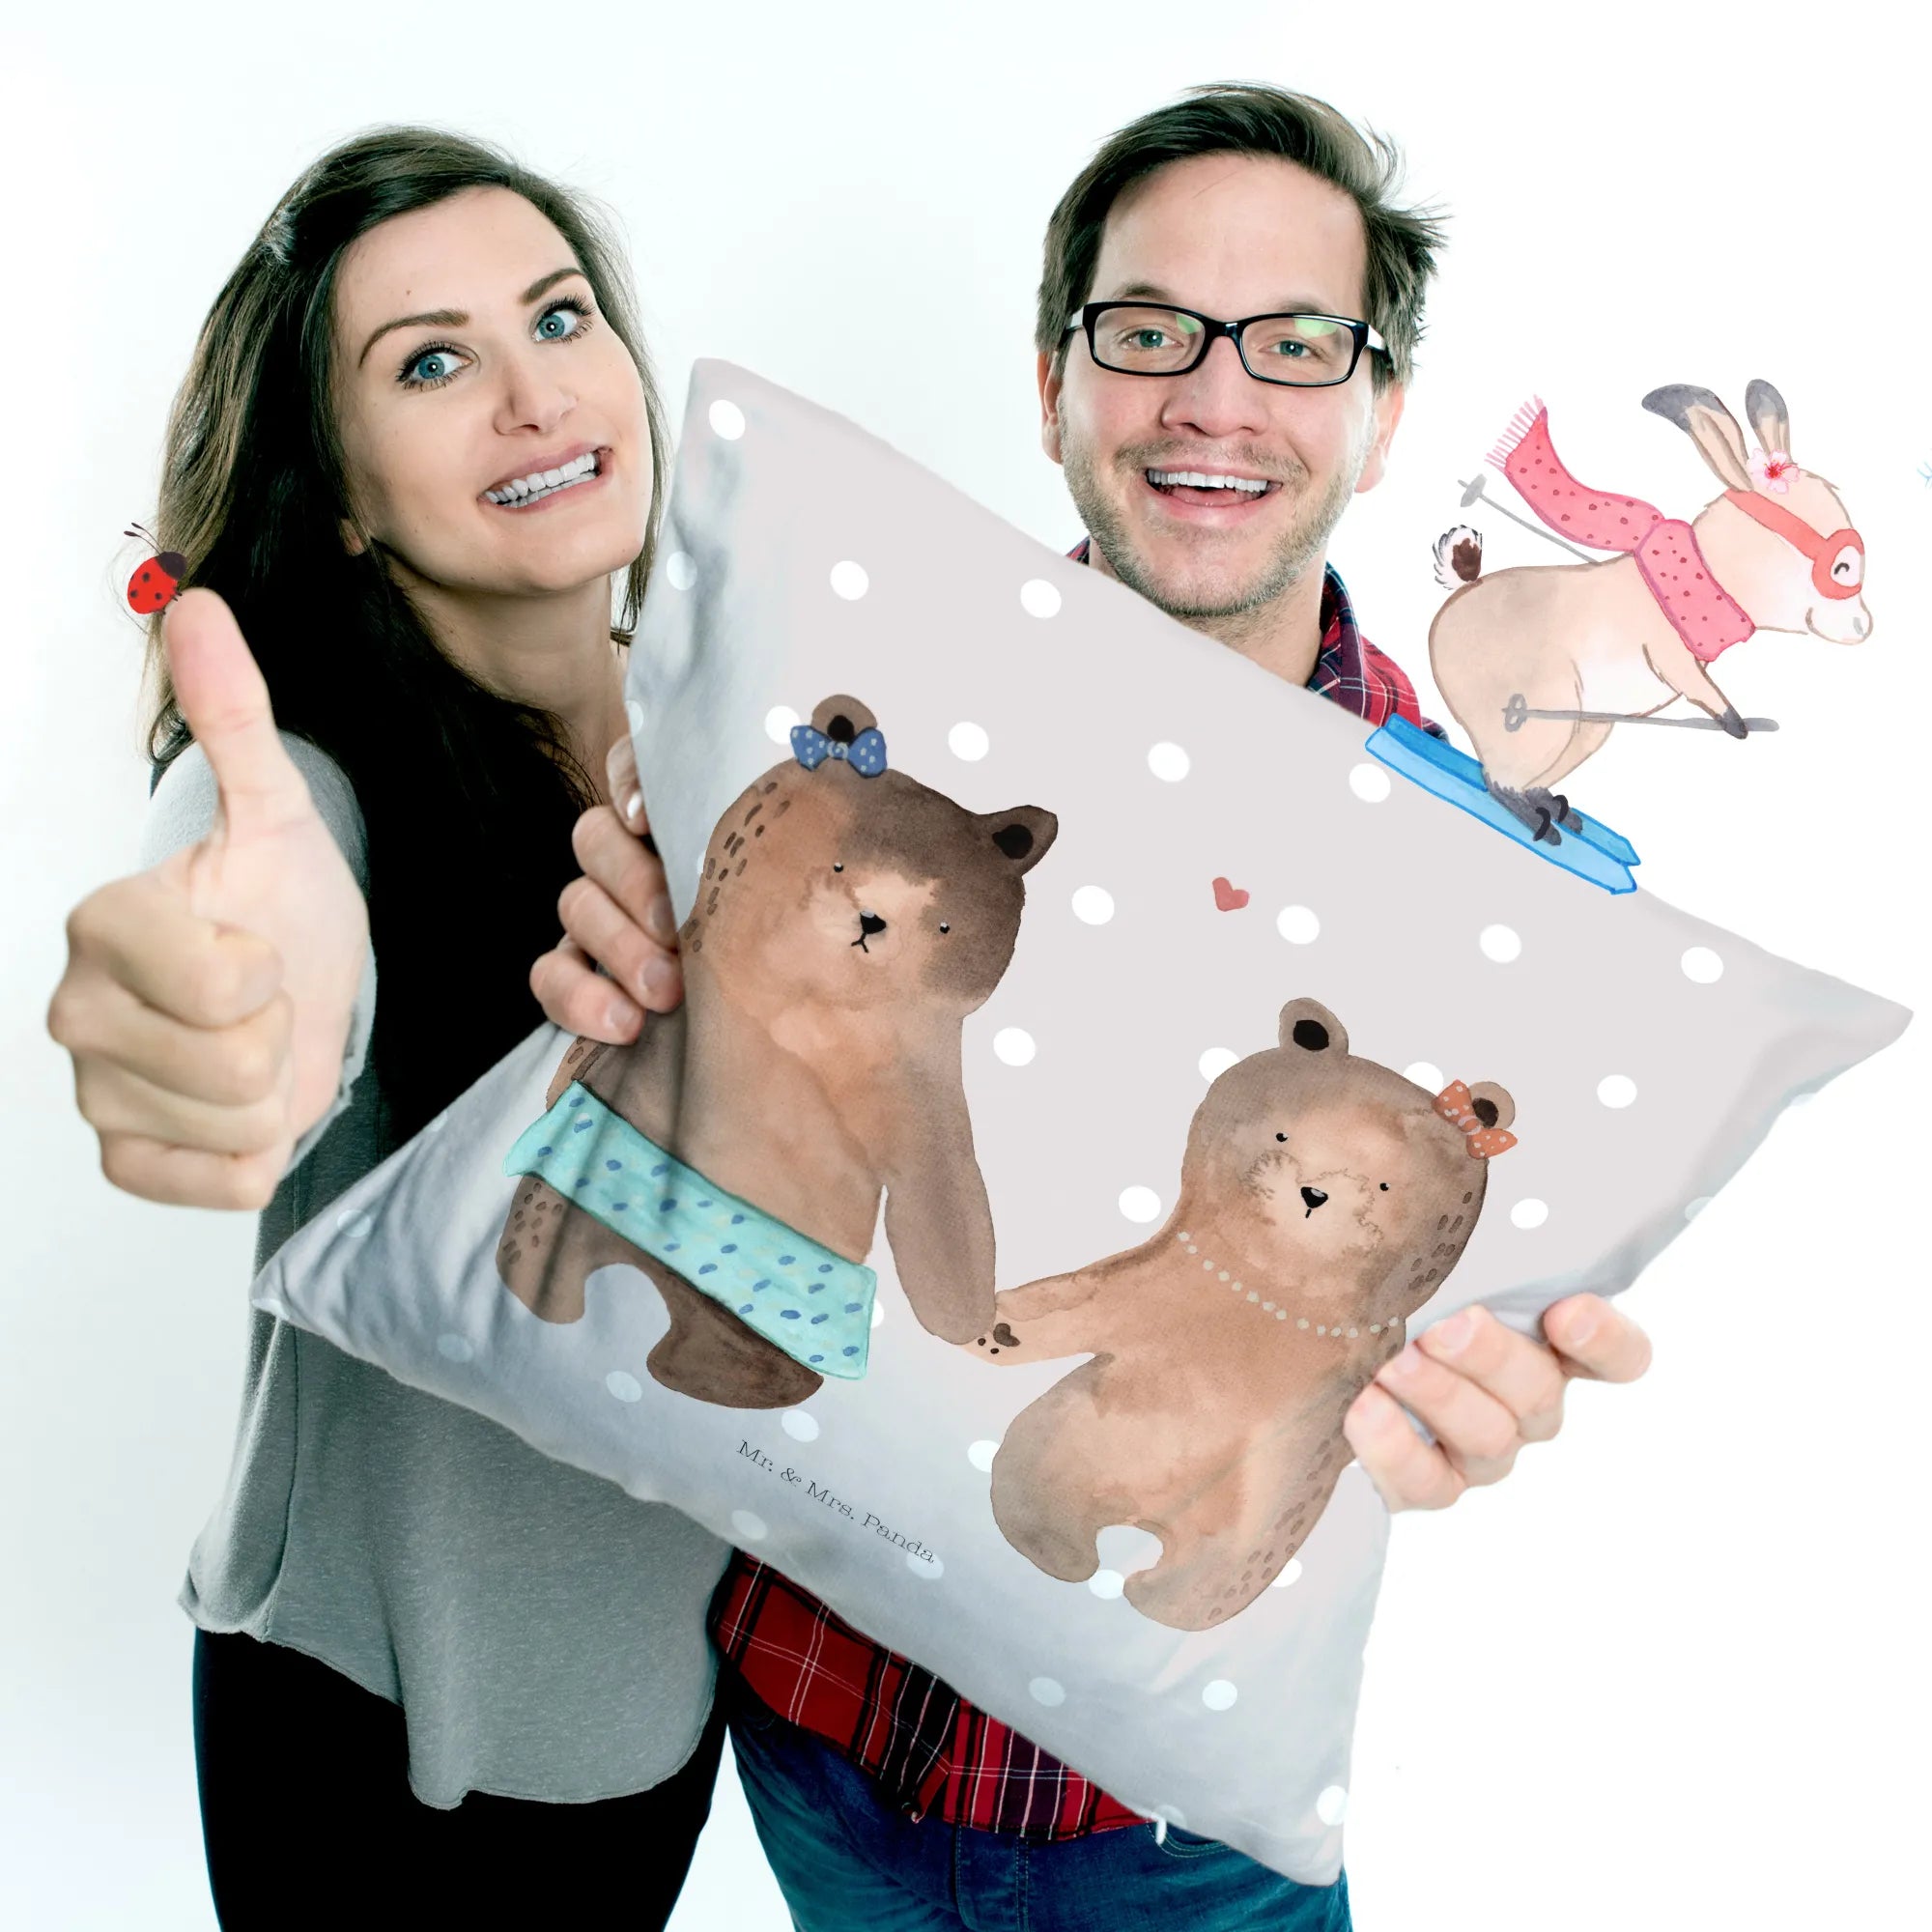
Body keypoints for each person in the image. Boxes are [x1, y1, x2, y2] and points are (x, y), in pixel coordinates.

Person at [535, 84, 1655, 1929]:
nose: (1216, 398)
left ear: (1380, 418)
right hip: (808, 1739)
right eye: (1150, 332)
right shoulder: (850, 695)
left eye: (1297, 343)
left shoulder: (1485, 888)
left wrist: (1476, 1391)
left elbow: (1424, 1326)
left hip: (1180, 1834)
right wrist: (627, 975)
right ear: (1054, 383)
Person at [44, 130, 727, 1927]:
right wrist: (223, 1000)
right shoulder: (308, 782)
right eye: (430, 363)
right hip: (380, 1740)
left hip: (661, 1708)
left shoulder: (737, 746)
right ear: (342, 496)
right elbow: (254, 901)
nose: (533, 395)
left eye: (558, 318)